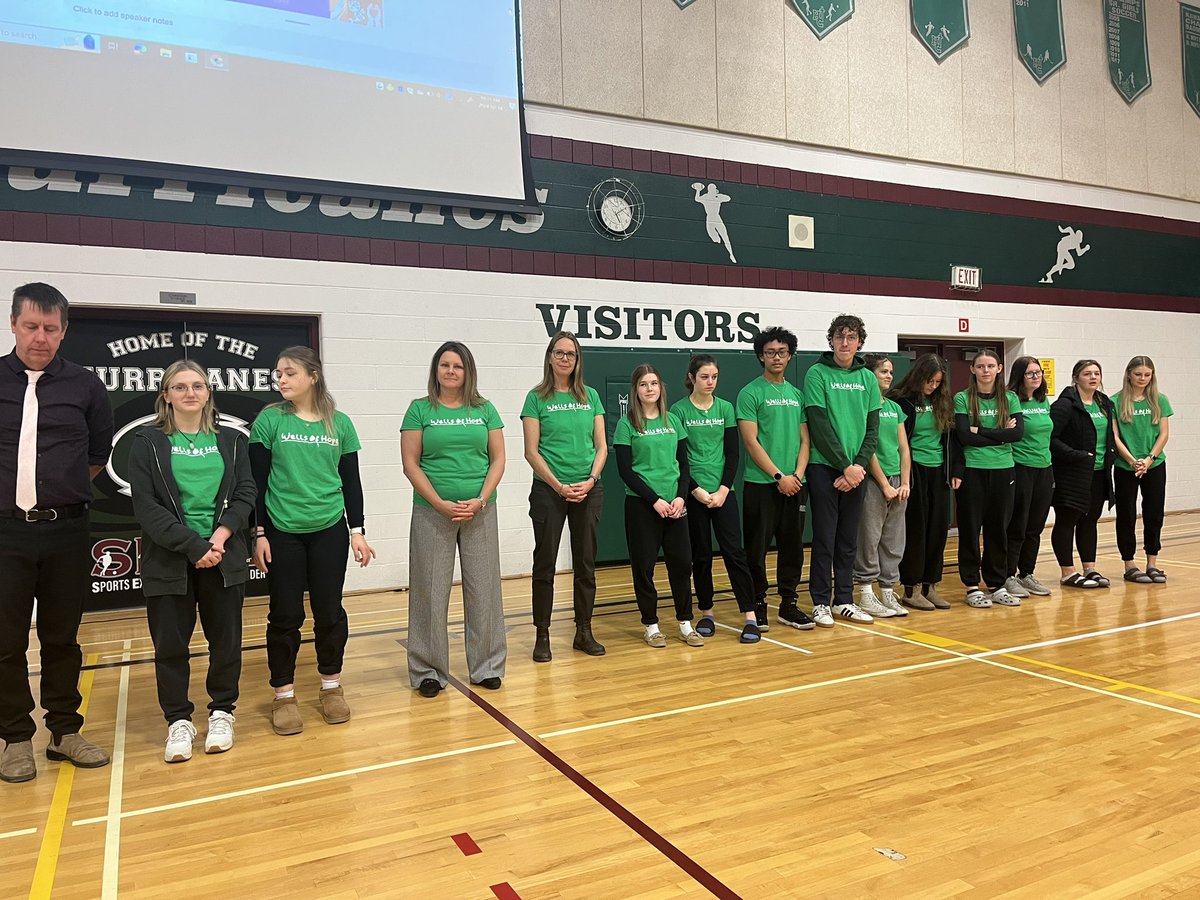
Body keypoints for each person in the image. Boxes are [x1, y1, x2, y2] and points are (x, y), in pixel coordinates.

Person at [0, 283, 114, 784]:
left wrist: (53, 494)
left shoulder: (86, 386)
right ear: (13, 325)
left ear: (64, 331)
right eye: (31, 326)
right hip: (5, 533)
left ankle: (65, 732)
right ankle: (15, 738)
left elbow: (96, 456)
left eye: (50, 328)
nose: (40, 337)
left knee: (62, 639)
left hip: (67, 532)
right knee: (5, 642)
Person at [129, 361, 256, 762]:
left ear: (208, 392)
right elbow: (147, 507)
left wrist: (218, 538)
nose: (190, 393)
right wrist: (192, 545)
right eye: (179, 386)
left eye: (197, 385)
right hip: (169, 559)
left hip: (224, 554)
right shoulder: (146, 442)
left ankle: (222, 712)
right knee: (170, 645)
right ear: (166, 394)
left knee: (226, 643)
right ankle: (178, 721)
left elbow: (246, 492)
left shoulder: (233, 440)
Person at [251, 347, 375, 734]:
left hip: (328, 531)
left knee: (329, 611)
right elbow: (254, 483)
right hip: (282, 531)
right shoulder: (270, 420)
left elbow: (351, 482)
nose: (281, 380)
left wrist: (357, 530)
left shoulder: (340, 424)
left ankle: (331, 686)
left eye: (289, 373)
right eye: (278, 374)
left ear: (313, 376)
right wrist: (258, 533)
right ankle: (284, 694)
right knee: (285, 615)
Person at [402, 341, 506, 697]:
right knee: (429, 591)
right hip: (432, 511)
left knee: (485, 588)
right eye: (444, 365)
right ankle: (428, 670)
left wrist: (479, 499)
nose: (450, 371)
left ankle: (487, 665)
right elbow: (411, 463)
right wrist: (440, 503)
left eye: (457, 366)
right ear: (435, 371)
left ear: (468, 372)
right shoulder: (419, 410)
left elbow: (498, 459)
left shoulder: (485, 409)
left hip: (480, 510)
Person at [521, 332, 607, 662]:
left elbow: (601, 447)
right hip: (548, 491)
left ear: (577, 359)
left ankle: (583, 631)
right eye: (559, 352)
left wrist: (591, 479)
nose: (565, 358)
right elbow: (531, 452)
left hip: (588, 489)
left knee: (585, 563)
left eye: (571, 354)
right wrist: (558, 485)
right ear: (550, 356)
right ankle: (542, 634)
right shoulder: (535, 398)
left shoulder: (591, 396)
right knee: (545, 563)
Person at [670, 355, 760, 643]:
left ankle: (750, 615)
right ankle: (707, 612)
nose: (710, 382)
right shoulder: (678, 410)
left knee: (735, 553)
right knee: (701, 556)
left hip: (723, 494)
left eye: (714, 377)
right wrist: (695, 490)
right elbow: (679, 457)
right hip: (694, 495)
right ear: (692, 377)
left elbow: (733, 454)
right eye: (705, 377)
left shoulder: (725, 408)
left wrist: (723, 489)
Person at [614, 364, 701, 648]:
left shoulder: (673, 421)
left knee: (681, 565)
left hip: (676, 505)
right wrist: (655, 500)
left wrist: (679, 497)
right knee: (644, 568)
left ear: (661, 387)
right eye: (643, 384)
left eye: (654, 383)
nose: (649, 388)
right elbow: (626, 471)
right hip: (642, 507)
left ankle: (686, 623)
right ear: (635, 390)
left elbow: (684, 465)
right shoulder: (627, 424)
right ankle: (651, 625)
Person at [804, 315, 882, 627]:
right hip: (825, 468)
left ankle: (844, 600)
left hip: (856, 473)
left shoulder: (868, 379)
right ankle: (821, 601)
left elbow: (873, 428)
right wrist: (845, 466)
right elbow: (819, 425)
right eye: (840, 337)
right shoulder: (816, 373)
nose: (845, 342)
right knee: (825, 536)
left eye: (851, 337)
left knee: (848, 539)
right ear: (831, 341)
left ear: (860, 341)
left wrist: (858, 467)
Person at [736, 326, 812, 631]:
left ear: (790, 355)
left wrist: (797, 476)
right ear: (760, 356)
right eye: (770, 352)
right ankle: (758, 603)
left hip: (796, 484)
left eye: (782, 351)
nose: (776, 357)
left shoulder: (797, 395)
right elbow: (751, 442)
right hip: (762, 485)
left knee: (793, 548)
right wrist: (779, 475)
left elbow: (806, 441)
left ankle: (788, 604)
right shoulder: (750, 392)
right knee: (756, 549)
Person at [953, 351, 1023, 608]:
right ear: (972, 369)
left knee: (998, 529)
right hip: (973, 469)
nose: (985, 370)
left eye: (990, 366)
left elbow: (1018, 435)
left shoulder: (1010, 397)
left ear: (999, 368)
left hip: (1004, 469)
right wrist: (1000, 433)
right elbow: (963, 436)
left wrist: (980, 430)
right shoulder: (962, 398)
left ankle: (996, 583)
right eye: (980, 366)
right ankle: (972, 585)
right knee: (970, 528)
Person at [890, 354, 956, 611]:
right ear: (919, 376)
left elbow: (950, 439)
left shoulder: (942, 402)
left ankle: (931, 585)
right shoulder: (901, 400)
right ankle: (911, 587)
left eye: (938, 382)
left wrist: (953, 470)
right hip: (913, 470)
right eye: (930, 381)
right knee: (916, 529)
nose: (933, 386)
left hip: (938, 470)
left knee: (938, 529)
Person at [1050, 359, 1121, 589]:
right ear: (1076, 377)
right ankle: (1067, 572)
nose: (1093, 377)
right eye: (1087, 373)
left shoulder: (1104, 403)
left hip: (1099, 473)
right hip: (1072, 474)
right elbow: (1051, 439)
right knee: (1067, 521)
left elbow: (1111, 435)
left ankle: (1089, 568)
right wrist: (1076, 454)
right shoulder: (1065, 405)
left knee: (1090, 521)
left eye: (1097, 373)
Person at [853, 354, 910, 619]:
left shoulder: (895, 408)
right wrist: (885, 484)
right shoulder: (864, 405)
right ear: (869, 375)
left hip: (899, 482)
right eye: (883, 371)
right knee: (870, 536)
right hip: (875, 481)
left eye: (890, 371)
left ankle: (888, 590)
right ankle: (866, 592)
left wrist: (905, 481)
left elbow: (903, 447)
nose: (888, 376)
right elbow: (869, 447)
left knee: (893, 539)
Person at [1112, 356, 1171, 584]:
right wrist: (1131, 460)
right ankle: (1129, 564)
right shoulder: (1115, 401)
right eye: (1138, 374)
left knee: (1154, 513)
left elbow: (1164, 433)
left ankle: (1152, 563)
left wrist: (1149, 459)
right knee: (1126, 514)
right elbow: (1114, 435)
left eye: (1147, 375)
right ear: (1129, 374)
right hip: (1126, 466)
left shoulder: (1159, 400)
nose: (1143, 379)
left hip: (1154, 465)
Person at [1002, 357, 1055, 599]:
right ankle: (1008, 575)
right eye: (1030, 373)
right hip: (1020, 466)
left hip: (1044, 468)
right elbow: (1008, 430)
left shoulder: (1044, 401)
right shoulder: (1011, 399)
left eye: (1038, 372)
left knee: (1036, 525)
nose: (1036, 377)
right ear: (1019, 376)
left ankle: (1027, 573)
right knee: (1018, 525)